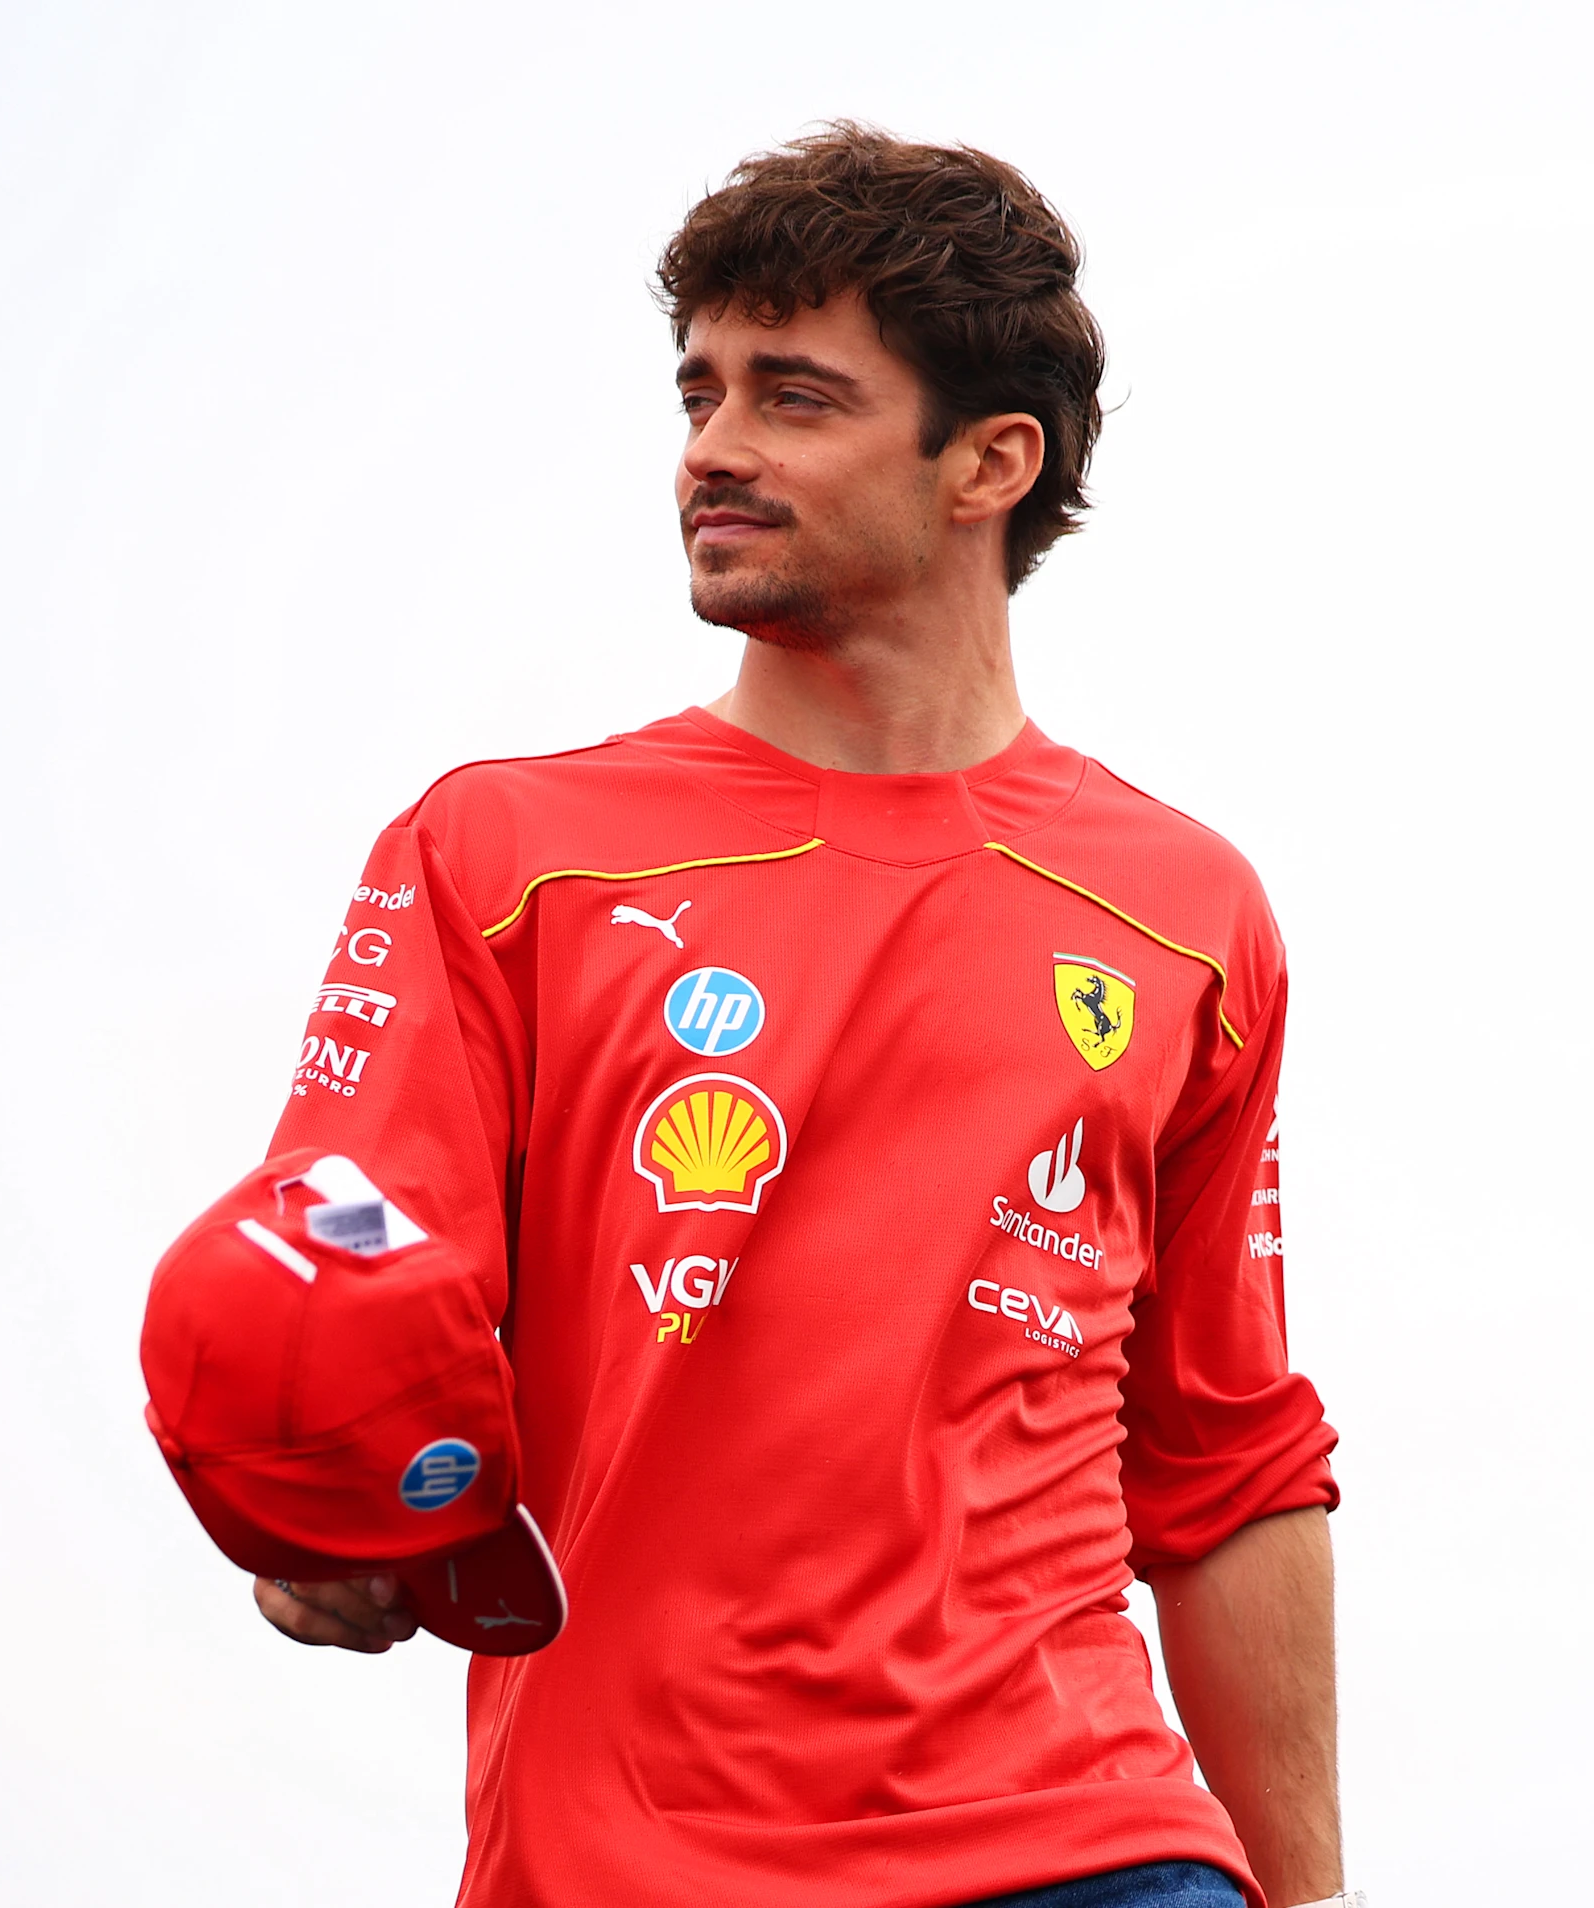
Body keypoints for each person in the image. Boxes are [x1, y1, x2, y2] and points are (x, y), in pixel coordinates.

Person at [220, 125, 1344, 1908]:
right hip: (633, 1858)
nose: (712, 449)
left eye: (793, 397)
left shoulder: (1186, 912)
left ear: (989, 462)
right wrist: (319, 1515)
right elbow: (331, 1284)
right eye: (701, 391)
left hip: (1091, 1849)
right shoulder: (506, 857)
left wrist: (1311, 1894)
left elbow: (1227, 1461)